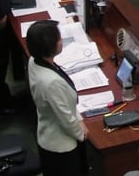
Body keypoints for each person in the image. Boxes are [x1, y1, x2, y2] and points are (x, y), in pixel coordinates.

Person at [26, 20, 88, 176]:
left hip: (47, 134)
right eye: (59, 39)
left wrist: (79, 118)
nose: (62, 41)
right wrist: (81, 133)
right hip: (61, 147)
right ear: (50, 47)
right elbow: (65, 117)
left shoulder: (34, 61)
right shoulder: (52, 82)